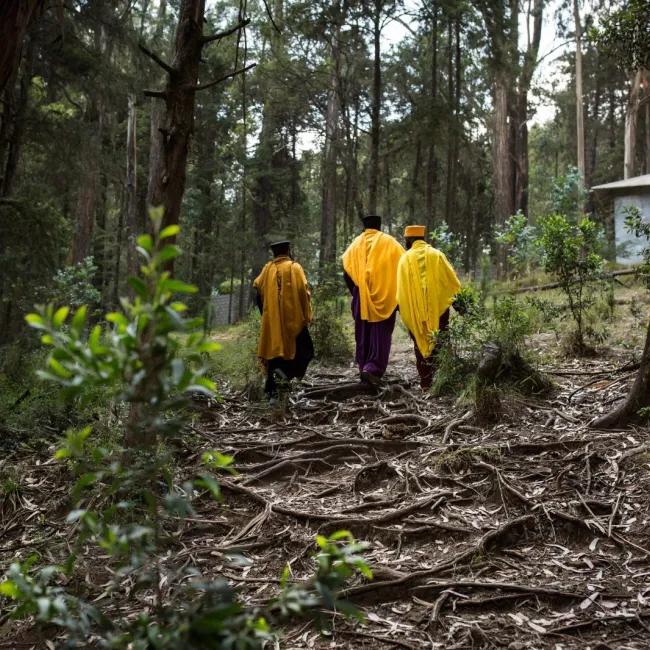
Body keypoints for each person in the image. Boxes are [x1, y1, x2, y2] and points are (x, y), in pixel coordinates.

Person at [396, 225, 462, 391]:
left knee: (420, 343)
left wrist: (400, 308)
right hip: (438, 310)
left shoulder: (404, 260)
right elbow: (451, 282)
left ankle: (426, 383)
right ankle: (442, 380)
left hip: (414, 312)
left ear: (409, 239)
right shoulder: (437, 255)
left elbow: (400, 290)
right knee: (439, 341)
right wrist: (459, 305)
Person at [342, 214, 405, 385]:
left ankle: (364, 367)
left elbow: (346, 272)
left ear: (365, 227)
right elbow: (403, 266)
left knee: (363, 334)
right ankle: (373, 369)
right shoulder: (390, 242)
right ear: (379, 226)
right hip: (385, 297)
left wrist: (357, 292)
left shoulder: (355, 245)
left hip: (361, 297)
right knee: (381, 335)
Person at [253, 241, 314, 405]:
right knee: (306, 352)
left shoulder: (267, 269)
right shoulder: (294, 267)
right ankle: (286, 377)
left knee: (275, 357)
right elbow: (303, 291)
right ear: (288, 251)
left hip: (273, 322)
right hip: (293, 321)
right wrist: (305, 315)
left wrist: (267, 316)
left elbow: (257, 291)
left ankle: (272, 394)